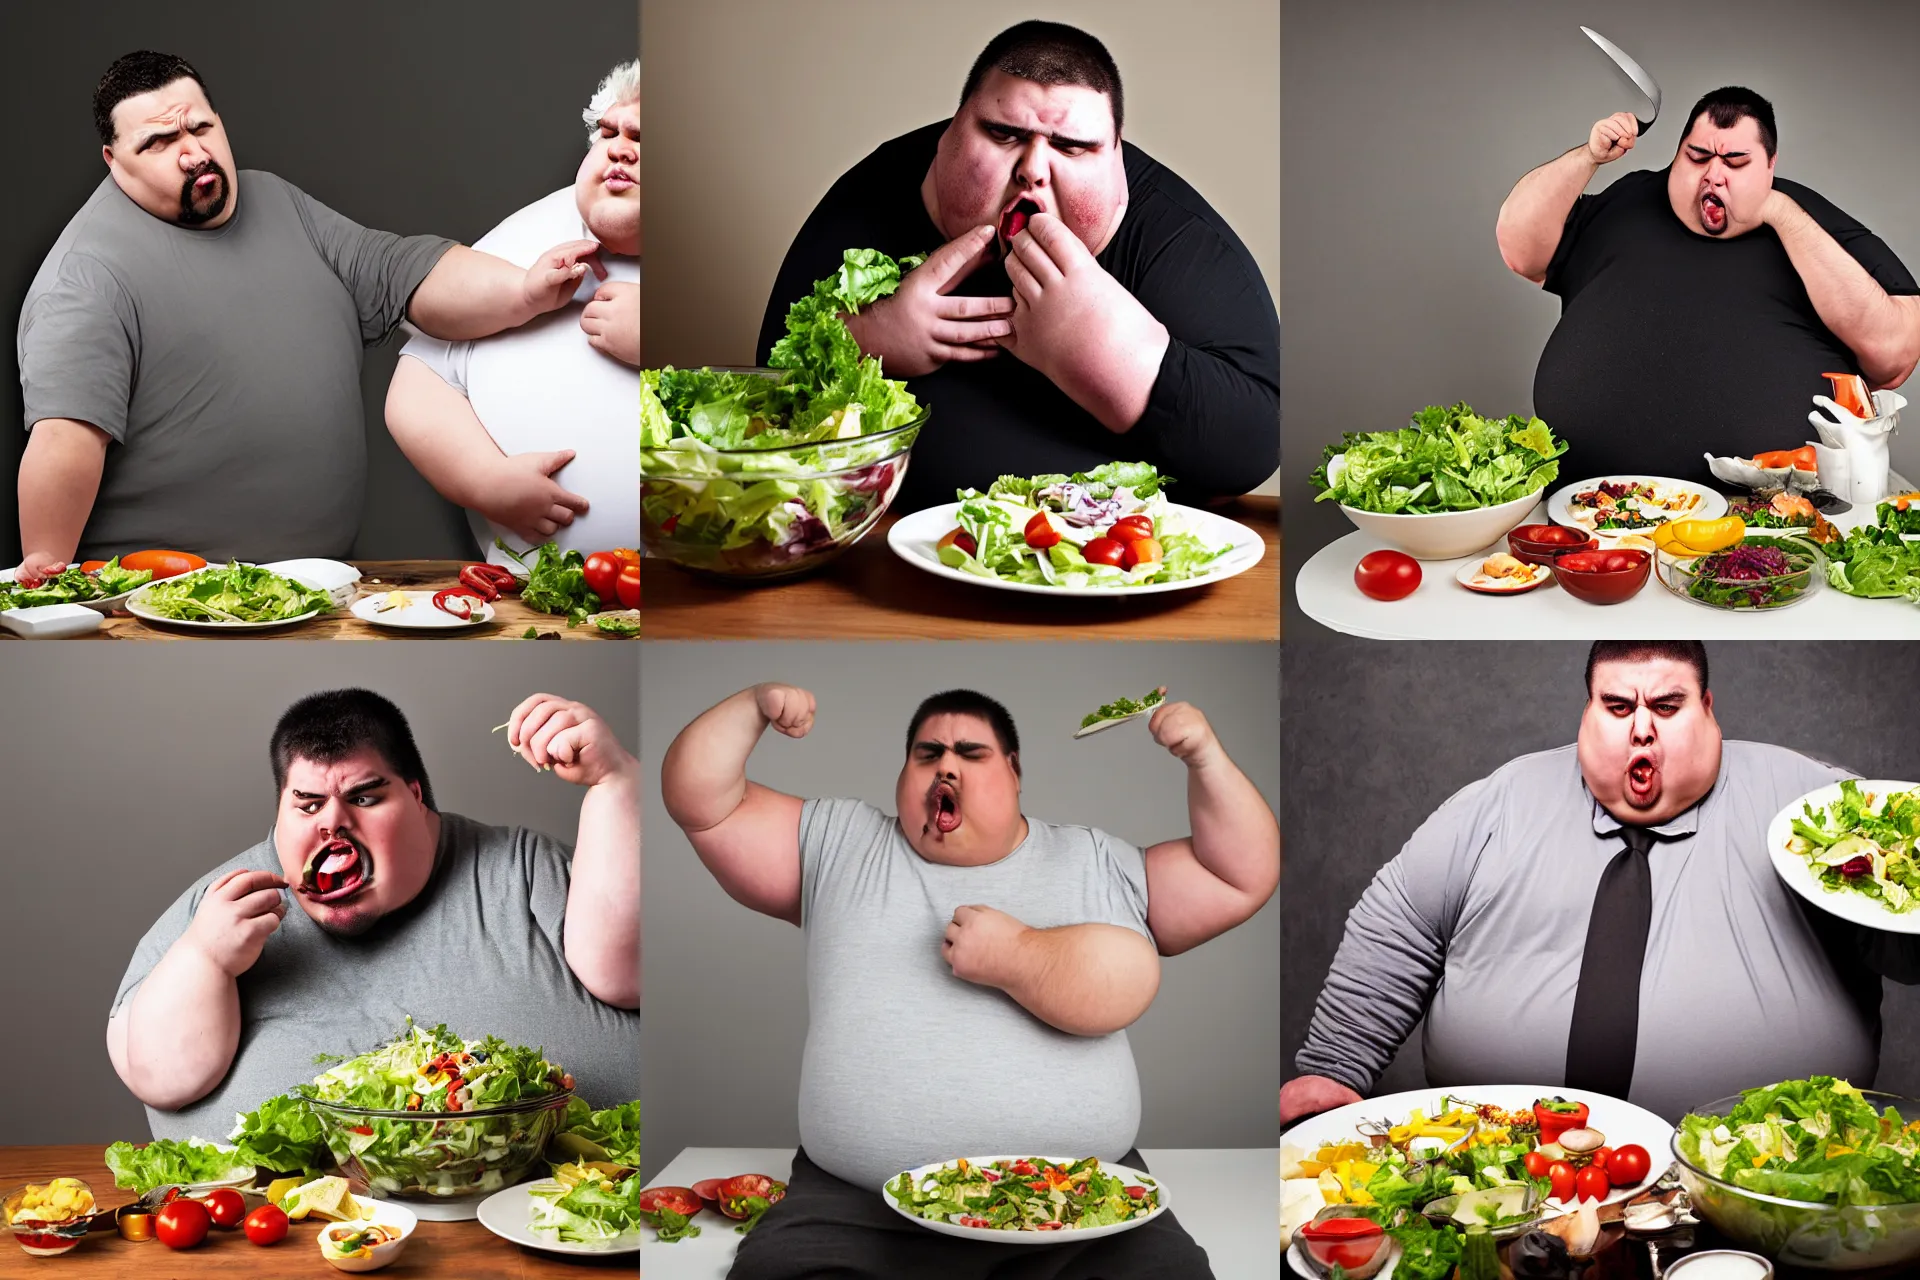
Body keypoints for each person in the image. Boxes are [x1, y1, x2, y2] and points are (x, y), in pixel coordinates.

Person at [662, 684, 1278, 1280]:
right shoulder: (840, 844)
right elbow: (701, 800)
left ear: (1014, 773)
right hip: (859, 1208)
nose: (944, 768)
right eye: (926, 754)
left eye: (971, 753)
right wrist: (752, 706)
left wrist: (1204, 756)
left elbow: (1239, 876)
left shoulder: (1097, 860)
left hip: (1081, 1202)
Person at [16, 50, 611, 576]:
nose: (192, 152)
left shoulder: (276, 202)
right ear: (113, 159)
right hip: (158, 605)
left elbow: (402, 272)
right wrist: (50, 581)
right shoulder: (86, 275)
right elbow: (65, 437)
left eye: (199, 126)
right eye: (158, 143)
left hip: (316, 592)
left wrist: (526, 289)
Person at [1282, 641, 1920, 1127]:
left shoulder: (1816, 807)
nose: (1642, 727)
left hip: (1768, 1183)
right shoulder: (1497, 803)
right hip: (1510, 1178)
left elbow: (1905, 942)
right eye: (1618, 705)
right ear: (1587, 709)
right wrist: (1335, 1068)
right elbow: (1397, 926)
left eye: (1667, 706)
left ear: (1708, 708)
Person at [754, 20, 1278, 513]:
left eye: (1071, 147)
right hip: (885, 552)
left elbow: (1257, 445)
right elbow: (766, 385)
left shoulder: (1179, 239)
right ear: (949, 134)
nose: (1032, 171)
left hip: (1109, 572)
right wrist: (868, 340)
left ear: (1119, 158)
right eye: (1004, 134)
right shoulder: (872, 193)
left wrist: (1124, 361)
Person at [108, 689, 639, 1138]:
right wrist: (206, 958)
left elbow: (629, 974)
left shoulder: (525, 867)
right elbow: (159, 1078)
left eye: (363, 798)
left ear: (415, 796)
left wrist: (616, 781)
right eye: (308, 804)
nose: (332, 824)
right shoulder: (220, 905)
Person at [1495, 87, 1920, 483]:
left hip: (1767, 521)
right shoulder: (1629, 200)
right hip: (1587, 505)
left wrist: (1781, 213)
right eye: (1697, 157)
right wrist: (1588, 157)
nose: (1714, 176)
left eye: (1735, 162)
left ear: (1770, 165)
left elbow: (1894, 357)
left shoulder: (1809, 222)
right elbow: (1521, 249)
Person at [388, 59, 640, 564]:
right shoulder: (519, 243)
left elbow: (792, 402)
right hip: (522, 602)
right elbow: (417, 382)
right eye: (607, 131)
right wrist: (484, 480)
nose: (618, 147)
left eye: (645, 139)